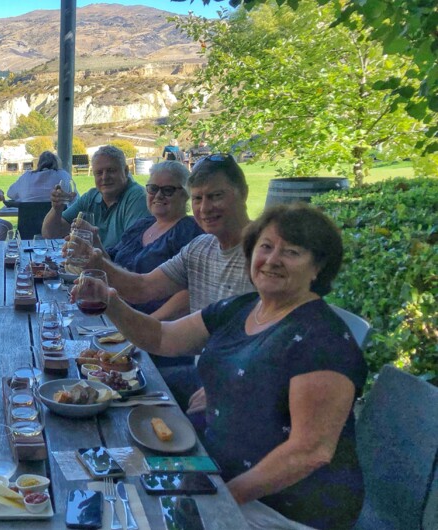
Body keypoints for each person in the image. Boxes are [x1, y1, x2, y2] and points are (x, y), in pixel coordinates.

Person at [87, 204, 367, 529]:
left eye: (291, 252)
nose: (272, 260)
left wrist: (223, 497)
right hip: (215, 469)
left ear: (318, 267)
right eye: (265, 247)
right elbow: (163, 338)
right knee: (111, 489)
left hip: (283, 506)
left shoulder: (322, 340)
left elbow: (310, 451)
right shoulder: (244, 308)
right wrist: (111, 301)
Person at [66, 154, 254, 414]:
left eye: (216, 196)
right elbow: (143, 288)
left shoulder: (265, 254)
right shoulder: (201, 247)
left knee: (114, 401)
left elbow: (280, 337)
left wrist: (227, 385)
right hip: (204, 368)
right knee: (96, 386)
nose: (205, 208)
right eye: (198, 198)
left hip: (239, 387)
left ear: (242, 193)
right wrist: (97, 264)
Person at [101, 161, 203, 320]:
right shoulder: (142, 225)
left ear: (186, 194)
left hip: (154, 326)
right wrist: (91, 244)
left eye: (168, 190)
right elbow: (111, 263)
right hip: (115, 314)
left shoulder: (189, 231)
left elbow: (192, 292)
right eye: (153, 189)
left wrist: (146, 325)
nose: (158, 195)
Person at [41, 145, 149, 248]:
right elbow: (50, 234)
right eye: (99, 173)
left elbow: (130, 251)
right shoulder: (91, 197)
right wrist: (56, 209)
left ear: (125, 171)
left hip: (116, 266)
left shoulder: (137, 198)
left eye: (111, 171)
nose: (105, 177)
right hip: (92, 264)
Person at [6, 150, 74, 202]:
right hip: (57, 219)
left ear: (39, 163)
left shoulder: (26, 177)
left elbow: (10, 193)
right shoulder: (63, 175)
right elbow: (75, 198)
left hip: (29, 219)